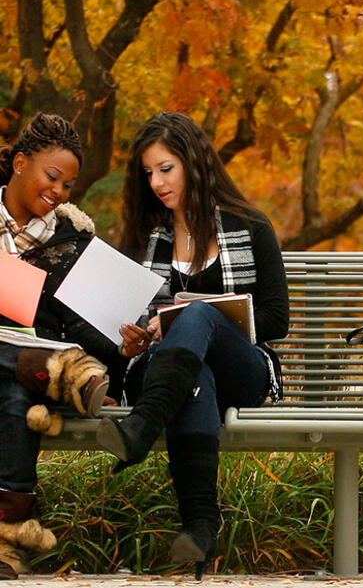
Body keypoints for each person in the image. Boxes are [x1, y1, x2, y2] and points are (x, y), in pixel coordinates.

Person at [99, 112, 289, 578]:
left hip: (241, 367)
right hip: (169, 369)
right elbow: (125, 323)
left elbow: (276, 319)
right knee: (192, 374)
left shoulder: (250, 226)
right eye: (148, 173)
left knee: (199, 314)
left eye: (166, 168)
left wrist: (206, 319)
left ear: (194, 162)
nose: (157, 182)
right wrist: (136, 337)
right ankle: (201, 524)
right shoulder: (146, 238)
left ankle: (140, 428)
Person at [0, 113, 126, 579]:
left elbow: (89, 325)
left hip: (23, 383)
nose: (59, 192)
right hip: (48, 375)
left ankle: (7, 545)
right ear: (18, 164)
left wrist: (126, 346)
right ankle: (57, 369)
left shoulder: (73, 242)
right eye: (52, 177)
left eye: (68, 185)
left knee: (14, 397)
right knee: (20, 385)